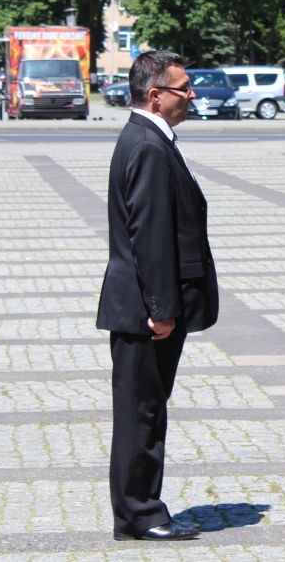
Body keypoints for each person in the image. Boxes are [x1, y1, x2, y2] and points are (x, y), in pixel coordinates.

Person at [98, 49, 219, 542]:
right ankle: (139, 513)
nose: (192, 95)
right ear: (155, 95)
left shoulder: (148, 138)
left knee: (145, 410)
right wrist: (162, 310)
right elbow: (150, 236)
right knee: (140, 412)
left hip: (145, 305)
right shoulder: (148, 145)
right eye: (183, 88)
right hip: (145, 312)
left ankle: (140, 507)